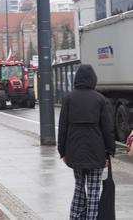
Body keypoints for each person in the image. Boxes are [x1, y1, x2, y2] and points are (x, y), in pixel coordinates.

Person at [58, 64, 115, 220]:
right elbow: (107, 129)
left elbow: (62, 127)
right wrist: (109, 152)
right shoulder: (100, 99)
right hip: (97, 154)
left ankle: (75, 217)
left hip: (74, 153)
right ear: (93, 80)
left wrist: (63, 151)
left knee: (78, 187)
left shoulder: (68, 99)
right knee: (93, 191)